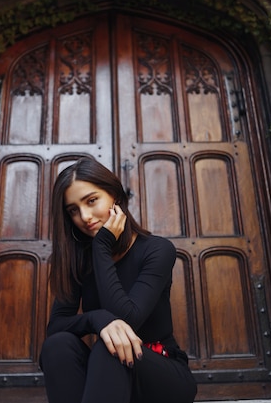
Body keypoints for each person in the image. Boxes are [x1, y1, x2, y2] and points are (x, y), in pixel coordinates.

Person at [39, 157, 197, 403]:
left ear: (115, 196)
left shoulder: (157, 250)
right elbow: (56, 328)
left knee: (112, 345)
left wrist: (101, 245)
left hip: (162, 375)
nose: (85, 216)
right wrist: (97, 319)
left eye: (92, 201)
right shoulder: (78, 260)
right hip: (108, 379)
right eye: (73, 210)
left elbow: (128, 320)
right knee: (58, 346)